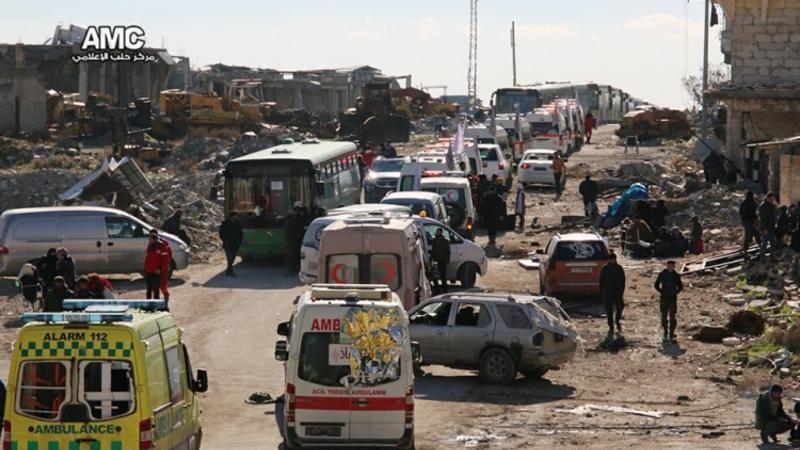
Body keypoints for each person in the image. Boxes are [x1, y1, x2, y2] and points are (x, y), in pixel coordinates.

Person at [654, 260, 683, 343]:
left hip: (672, 299)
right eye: (669, 266)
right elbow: (656, 285)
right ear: (667, 266)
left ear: (674, 267)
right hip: (664, 298)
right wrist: (662, 291)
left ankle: (672, 333)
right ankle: (665, 331)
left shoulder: (676, 276)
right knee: (664, 316)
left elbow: (680, 287)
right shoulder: (662, 274)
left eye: (672, 266)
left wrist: (675, 293)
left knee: (672, 317)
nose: (670, 268)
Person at [599, 253, 626, 337]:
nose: (613, 261)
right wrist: (602, 292)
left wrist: (622, 291)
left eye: (614, 259)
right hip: (608, 291)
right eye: (611, 259)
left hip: (617, 291)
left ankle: (617, 321)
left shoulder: (619, 268)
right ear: (609, 260)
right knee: (609, 309)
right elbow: (601, 281)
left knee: (620, 306)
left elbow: (623, 280)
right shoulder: (605, 269)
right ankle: (611, 325)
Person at [284, 201, 310, 274]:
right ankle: (291, 269)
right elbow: (291, 228)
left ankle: (297, 268)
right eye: (297, 209)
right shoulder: (291, 218)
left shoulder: (303, 216)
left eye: (300, 209)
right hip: (294, 238)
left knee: (297, 254)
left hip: (298, 238)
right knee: (292, 254)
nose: (298, 211)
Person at [144, 230, 170, 299]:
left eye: (150, 238)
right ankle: (148, 306)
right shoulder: (150, 246)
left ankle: (162, 300)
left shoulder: (162, 246)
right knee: (149, 290)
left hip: (158, 271)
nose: (149, 240)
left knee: (157, 289)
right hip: (149, 271)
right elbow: (147, 259)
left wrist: (161, 268)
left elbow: (166, 259)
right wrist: (145, 269)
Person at [219, 212, 244, 276]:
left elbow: (240, 233)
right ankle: (230, 270)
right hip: (228, 243)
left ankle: (229, 269)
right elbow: (221, 233)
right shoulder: (225, 224)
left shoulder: (238, 224)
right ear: (232, 217)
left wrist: (241, 240)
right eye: (236, 216)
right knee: (229, 257)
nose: (237, 217)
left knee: (233, 257)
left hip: (236, 243)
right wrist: (225, 240)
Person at [740, 191, 761, 258]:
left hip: (746, 222)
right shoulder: (752, 203)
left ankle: (746, 250)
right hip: (749, 222)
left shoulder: (744, 203)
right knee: (752, 235)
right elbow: (754, 213)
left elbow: (740, 212)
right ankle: (746, 251)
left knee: (752, 235)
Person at [431, 228, 451, 293]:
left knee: (443, 276)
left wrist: (447, 260)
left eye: (438, 232)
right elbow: (433, 250)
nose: (437, 233)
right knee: (435, 276)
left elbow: (448, 252)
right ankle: (437, 289)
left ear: (441, 233)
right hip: (436, 261)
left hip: (442, 261)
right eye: (437, 232)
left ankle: (445, 290)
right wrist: (431, 259)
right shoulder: (434, 240)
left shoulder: (445, 241)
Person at [759, 192, 778, 260]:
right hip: (766, 228)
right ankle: (762, 258)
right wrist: (765, 229)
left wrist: (775, 205)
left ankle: (772, 258)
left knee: (773, 242)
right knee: (764, 244)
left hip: (771, 227)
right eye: (771, 199)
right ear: (767, 198)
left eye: (773, 199)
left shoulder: (771, 205)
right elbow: (762, 219)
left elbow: (775, 213)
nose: (772, 200)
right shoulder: (763, 206)